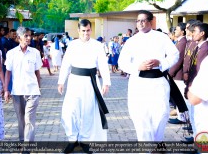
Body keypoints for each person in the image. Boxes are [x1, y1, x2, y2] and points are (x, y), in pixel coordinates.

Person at [118, 10, 179, 141]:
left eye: (143, 20)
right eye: (137, 21)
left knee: (161, 115)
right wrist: (137, 67)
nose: (140, 23)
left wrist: (161, 62)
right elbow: (122, 62)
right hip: (138, 82)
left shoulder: (161, 37)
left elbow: (175, 55)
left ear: (150, 22)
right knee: (141, 117)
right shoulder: (131, 41)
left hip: (158, 82)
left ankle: (157, 142)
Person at [58, 19, 111, 152]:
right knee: (69, 112)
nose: (86, 33)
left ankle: (84, 140)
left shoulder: (97, 45)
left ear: (91, 30)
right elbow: (65, 64)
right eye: (83, 31)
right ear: (78, 31)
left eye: (88, 30)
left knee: (88, 112)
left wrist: (106, 82)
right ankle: (72, 139)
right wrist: (61, 81)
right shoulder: (72, 45)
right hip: (74, 81)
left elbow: (103, 65)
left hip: (91, 83)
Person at [4, 27, 42, 142]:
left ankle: (27, 145)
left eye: (29, 35)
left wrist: (38, 87)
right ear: (19, 37)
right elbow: (8, 73)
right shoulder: (11, 53)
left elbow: (37, 72)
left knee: (29, 119)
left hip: (32, 91)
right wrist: (6, 90)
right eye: (26, 35)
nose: (29, 38)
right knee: (21, 120)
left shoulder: (35, 53)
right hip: (17, 92)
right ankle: (22, 141)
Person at [168, 22, 188, 124]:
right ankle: (181, 116)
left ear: (182, 32)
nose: (175, 31)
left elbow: (178, 60)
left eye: (177, 29)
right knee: (177, 97)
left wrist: (170, 73)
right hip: (176, 74)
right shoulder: (180, 42)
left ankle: (182, 118)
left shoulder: (183, 42)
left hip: (178, 74)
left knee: (180, 97)